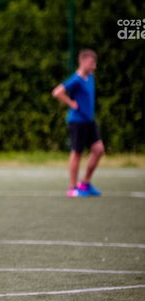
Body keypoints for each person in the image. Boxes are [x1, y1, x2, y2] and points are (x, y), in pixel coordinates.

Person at [52, 49, 105, 197]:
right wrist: (71, 103)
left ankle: (85, 183)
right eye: (91, 63)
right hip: (77, 121)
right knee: (77, 153)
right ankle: (72, 188)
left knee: (99, 149)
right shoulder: (76, 79)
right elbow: (57, 92)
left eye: (95, 63)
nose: (94, 66)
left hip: (89, 121)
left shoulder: (90, 77)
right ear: (82, 62)